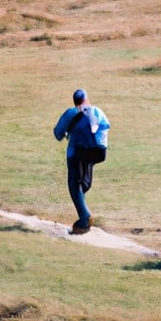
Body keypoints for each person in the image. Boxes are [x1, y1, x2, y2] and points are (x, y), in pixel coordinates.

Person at [53, 89, 110, 235]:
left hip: (77, 152)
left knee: (74, 183)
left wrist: (67, 133)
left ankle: (84, 218)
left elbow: (58, 134)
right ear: (87, 99)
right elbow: (104, 128)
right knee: (83, 182)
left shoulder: (70, 113)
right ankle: (83, 212)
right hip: (98, 153)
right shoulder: (97, 111)